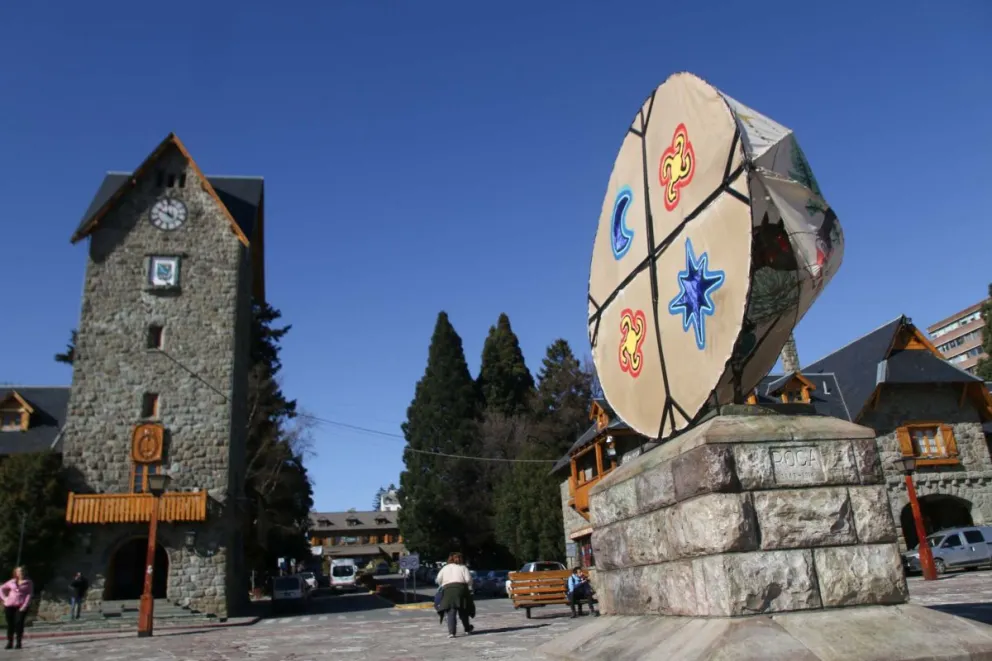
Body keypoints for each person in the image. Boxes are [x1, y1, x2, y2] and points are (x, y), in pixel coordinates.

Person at [434, 552, 475, 638]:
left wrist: (443, 584)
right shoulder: (463, 567)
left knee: (451, 612)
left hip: (448, 590)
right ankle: (467, 629)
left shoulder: (445, 568)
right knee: (463, 611)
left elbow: (438, 579)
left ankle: (452, 633)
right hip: (461, 589)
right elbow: (468, 580)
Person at [0, 567, 32, 649]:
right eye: (19, 571)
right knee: (10, 625)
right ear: (16, 573)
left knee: (19, 623)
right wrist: (5, 598)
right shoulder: (12, 581)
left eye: (22, 571)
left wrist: (25, 605)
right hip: (10, 605)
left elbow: (29, 594)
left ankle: (18, 642)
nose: (21, 572)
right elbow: (1, 588)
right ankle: (9, 642)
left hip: (21, 606)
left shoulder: (28, 582)